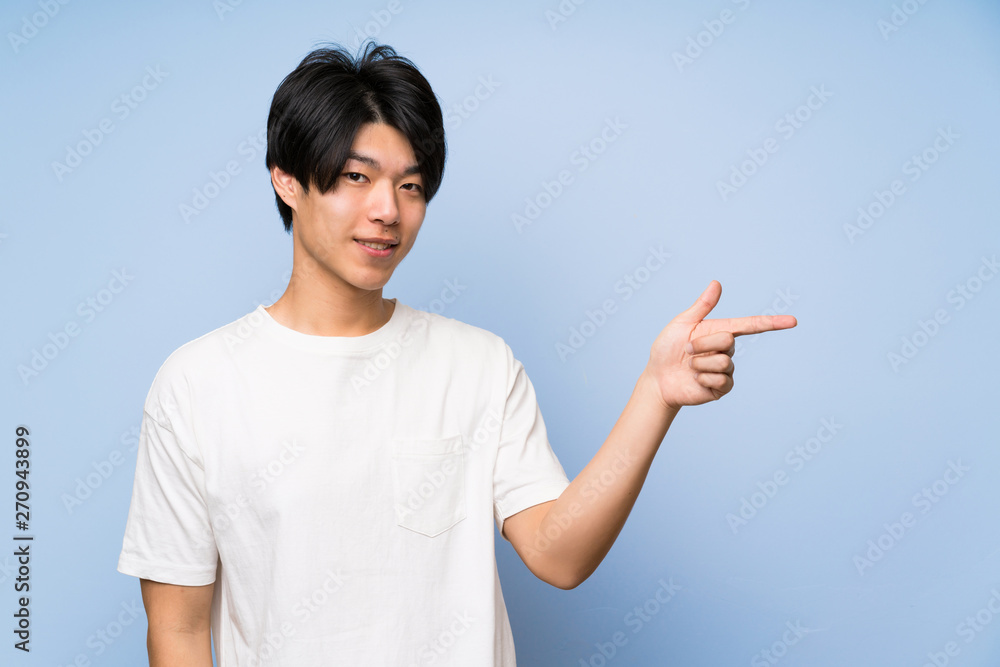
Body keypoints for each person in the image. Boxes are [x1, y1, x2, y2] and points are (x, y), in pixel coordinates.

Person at [117, 41, 796, 666]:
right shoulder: (198, 384)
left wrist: (656, 394)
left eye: (411, 185)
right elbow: (178, 630)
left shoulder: (479, 366)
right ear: (287, 181)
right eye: (356, 176)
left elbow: (559, 555)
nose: (388, 209)